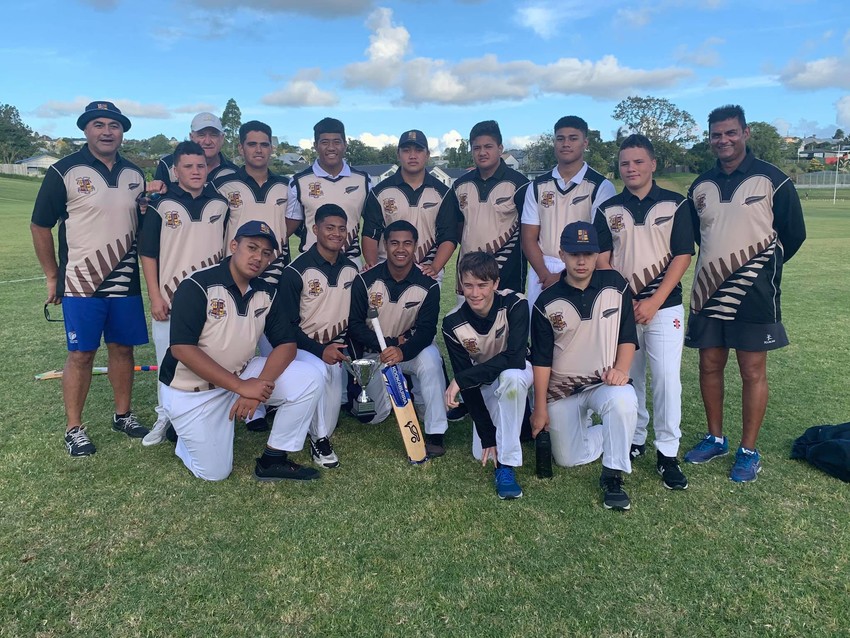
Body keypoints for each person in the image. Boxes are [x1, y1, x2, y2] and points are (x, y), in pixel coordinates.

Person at [682, 104, 806, 482]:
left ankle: (748, 450)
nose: (723, 140)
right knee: (709, 366)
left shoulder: (774, 179)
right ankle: (715, 437)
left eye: (730, 132)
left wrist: (762, 266)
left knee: (752, 371)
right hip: (707, 292)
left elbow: (793, 235)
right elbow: (692, 238)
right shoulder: (700, 185)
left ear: (746, 133)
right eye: (716, 134)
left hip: (755, 293)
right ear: (709, 139)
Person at [31, 100, 152, 456]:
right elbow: (40, 225)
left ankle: (123, 414)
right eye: (98, 125)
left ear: (123, 132)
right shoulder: (63, 170)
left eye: (113, 126)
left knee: (123, 349)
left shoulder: (134, 174)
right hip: (81, 283)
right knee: (82, 354)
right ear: (86, 129)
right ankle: (74, 427)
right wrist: (52, 275)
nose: (106, 132)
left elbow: (141, 225)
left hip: (125, 281)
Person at [159, 221, 324, 481]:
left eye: (266, 253)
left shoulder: (266, 292)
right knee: (214, 473)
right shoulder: (198, 285)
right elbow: (182, 349)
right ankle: (180, 433)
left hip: (241, 375)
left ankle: (274, 459)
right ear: (234, 246)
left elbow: (287, 344)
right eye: (252, 247)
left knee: (311, 377)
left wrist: (258, 385)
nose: (258, 257)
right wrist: (241, 386)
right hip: (192, 391)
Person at [595, 134, 693, 490]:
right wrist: (626, 301)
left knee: (667, 379)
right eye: (624, 163)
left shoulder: (675, 204)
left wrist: (653, 301)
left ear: (653, 164)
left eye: (638, 162)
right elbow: (604, 260)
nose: (631, 168)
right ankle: (635, 439)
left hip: (664, 307)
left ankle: (667, 452)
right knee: (629, 378)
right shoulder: (608, 209)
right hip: (623, 309)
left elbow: (683, 254)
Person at [530, 221, 639, 511]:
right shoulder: (545, 301)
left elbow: (628, 336)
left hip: (603, 381)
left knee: (623, 400)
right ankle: (612, 433)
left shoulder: (617, 285)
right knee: (566, 458)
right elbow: (541, 360)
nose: (582, 261)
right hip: (562, 389)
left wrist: (622, 370)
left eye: (589, 254)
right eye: (575, 254)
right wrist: (539, 408)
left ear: (597, 254)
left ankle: (613, 476)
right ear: (562, 254)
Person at [138, 140, 229, 446]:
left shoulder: (221, 204)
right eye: (188, 167)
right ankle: (165, 417)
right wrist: (155, 296)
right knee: (168, 360)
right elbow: (148, 253)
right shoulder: (160, 204)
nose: (195, 171)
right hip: (170, 300)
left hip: (212, 300)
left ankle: (209, 412)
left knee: (212, 357)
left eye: (200, 166)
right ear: (175, 170)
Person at [348, 220, 448, 456]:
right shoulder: (365, 280)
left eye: (407, 243)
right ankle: (406, 390)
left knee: (431, 359)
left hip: (409, 351)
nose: (400, 249)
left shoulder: (429, 286)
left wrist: (402, 351)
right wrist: (388, 347)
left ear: (415, 246)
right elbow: (354, 326)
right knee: (373, 417)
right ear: (385, 245)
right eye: (394, 243)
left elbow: (426, 331)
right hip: (378, 353)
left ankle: (435, 432)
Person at [442, 251, 532, 499]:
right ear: (460, 284)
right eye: (468, 285)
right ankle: (520, 422)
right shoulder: (452, 323)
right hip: (482, 381)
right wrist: (486, 433)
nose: (475, 293)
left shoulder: (516, 303)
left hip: (520, 371)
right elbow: (467, 381)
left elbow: (515, 357)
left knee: (511, 379)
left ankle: (506, 466)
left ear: (496, 283)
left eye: (482, 285)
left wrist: (461, 379)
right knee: (480, 450)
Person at [279, 204, 360, 468]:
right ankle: (320, 442)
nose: (336, 234)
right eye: (329, 228)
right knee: (321, 373)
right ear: (315, 230)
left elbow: (358, 317)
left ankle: (307, 418)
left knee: (331, 410)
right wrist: (317, 349)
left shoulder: (352, 269)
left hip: (335, 347)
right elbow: (287, 327)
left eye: (341, 229)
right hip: (303, 348)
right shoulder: (294, 272)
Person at [521, 115, 616, 308]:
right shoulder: (537, 186)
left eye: (573, 138)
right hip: (543, 270)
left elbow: (601, 240)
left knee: (578, 334)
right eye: (560, 138)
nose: (566, 144)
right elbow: (528, 237)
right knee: (540, 333)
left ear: (585, 142)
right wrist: (545, 274)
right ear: (554, 142)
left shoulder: (601, 186)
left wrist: (565, 276)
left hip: (583, 268)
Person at [361, 129, 459, 280]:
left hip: (427, 271)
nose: (412, 156)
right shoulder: (380, 192)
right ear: (398, 154)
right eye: (406, 151)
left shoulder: (444, 193)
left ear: (427, 155)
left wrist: (435, 267)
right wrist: (374, 268)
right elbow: (370, 234)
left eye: (419, 150)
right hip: (388, 270)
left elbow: (448, 236)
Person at [453, 120, 529, 298]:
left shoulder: (520, 185)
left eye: (488, 146)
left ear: (500, 148)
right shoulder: (459, 185)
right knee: (467, 325)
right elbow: (457, 227)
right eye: (476, 148)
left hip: (507, 276)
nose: (482, 152)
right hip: (467, 276)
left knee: (506, 325)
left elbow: (529, 231)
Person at [286, 117, 371, 263]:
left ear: (345, 144)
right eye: (324, 142)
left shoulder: (364, 180)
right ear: (315, 146)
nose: (331, 147)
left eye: (337, 142)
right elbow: (289, 226)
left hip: (351, 261)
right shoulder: (298, 181)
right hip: (310, 262)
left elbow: (372, 226)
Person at [154, 112, 237, 185]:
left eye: (213, 135)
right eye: (201, 135)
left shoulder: (234, 172)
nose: (207, 142)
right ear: (191, 137)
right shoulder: (167, 165)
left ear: (222, 138)